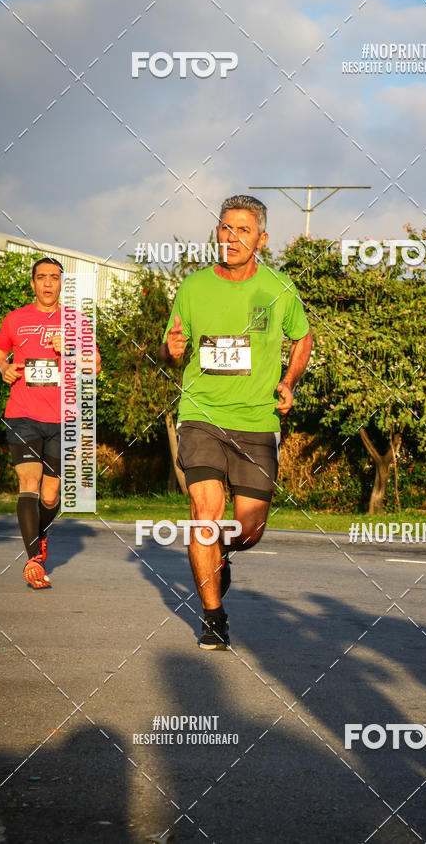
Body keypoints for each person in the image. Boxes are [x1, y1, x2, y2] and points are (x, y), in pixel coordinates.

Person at [161, 194, 312, 650]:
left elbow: (302, 340)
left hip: (257, 420)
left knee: (249, 529)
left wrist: (289, 382)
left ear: (261, 239)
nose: (231, 237)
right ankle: (213, 616)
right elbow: (174, 342)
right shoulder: (192, 287)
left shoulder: (280, 289)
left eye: (242, 230)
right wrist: (171, 348)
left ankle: (223, 554)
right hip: (201, 415)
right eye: (225, 228)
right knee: (204, 515)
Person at [0, 256, 101, 588]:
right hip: (23, 413)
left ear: (61, 283)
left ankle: (39, 535)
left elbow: (93, 365)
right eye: (42, 277)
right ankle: (34, 560)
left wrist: (69, 350)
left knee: (51, 497)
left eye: (54, 277)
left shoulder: (76, 321)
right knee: (29, 482)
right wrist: (3, 367)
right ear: (33, 283)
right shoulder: (15, 318)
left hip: (64, 417)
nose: (48, 283)